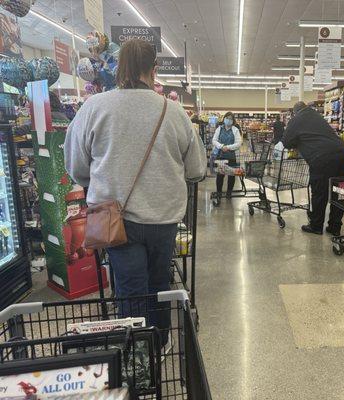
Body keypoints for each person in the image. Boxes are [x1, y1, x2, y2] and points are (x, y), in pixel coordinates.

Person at [64, 39, 206, 343]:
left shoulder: (93, 107)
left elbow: (76, 167)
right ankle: (160, 342)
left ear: (118, 67)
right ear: (153, 70)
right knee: (158, 283)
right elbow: (196, 170)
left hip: (115, 218)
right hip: (163, 219)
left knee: (129, 289)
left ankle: (137, 357)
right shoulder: (175, 112)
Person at [282, 101, 344, 236]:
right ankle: (335, 226)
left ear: (295, 112)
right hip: (342, 155)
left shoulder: (296, 120)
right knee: (339, 192)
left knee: (320, 193)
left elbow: (286, 142)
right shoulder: (318, 116)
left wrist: (298, 141)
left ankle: (316, 226)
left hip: (322, 158)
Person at [212, 111, 242, 199]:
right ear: (224, 119)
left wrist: (228, 147)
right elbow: (214, 140)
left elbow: (239, 143)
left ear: (233, 121)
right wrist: (221, 146)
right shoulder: (219, 129)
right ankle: (219, 194)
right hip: (221, 155)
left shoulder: (235, 130)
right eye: (227, 118)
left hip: (232, 156)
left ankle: (229, 193)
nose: (228, 120)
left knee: (231, 175)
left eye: (230, 119)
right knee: (220, 175)